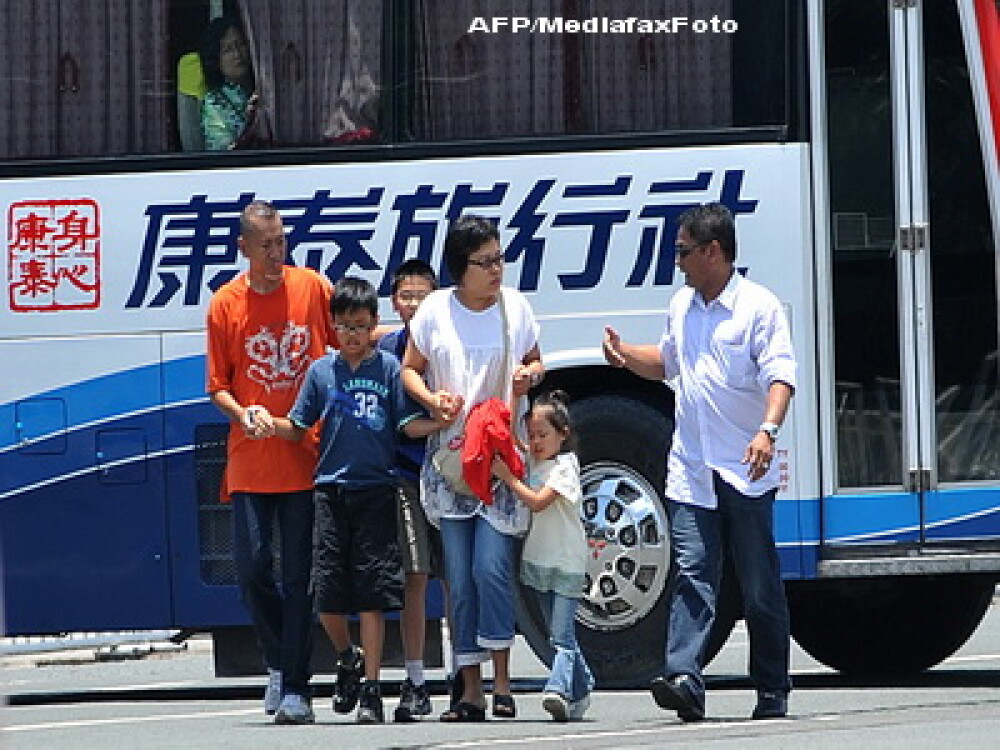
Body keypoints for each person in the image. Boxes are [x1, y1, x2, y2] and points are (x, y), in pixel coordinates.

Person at [603, 202, 796, 722]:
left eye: (684, 251)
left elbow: (781, 377)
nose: (678, 262)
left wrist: (767, 430)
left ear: (714, 251)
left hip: (745, 466)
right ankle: (684, 675)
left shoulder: (759, 307)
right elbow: (668, 360)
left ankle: (772, 687)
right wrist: (626, 357)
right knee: (693, 573)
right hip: (692, 465)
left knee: (758, 583)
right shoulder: (682, 306)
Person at [268, 276, 444, 724]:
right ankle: (346, 656)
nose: (352, 335)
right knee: (326, 597)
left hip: (376, 492)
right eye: (344, 326)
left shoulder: (386, 369)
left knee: (372, 596)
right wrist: (270, 425)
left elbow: (406, 424)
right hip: (330, 491)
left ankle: (371, 690)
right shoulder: (320, 372)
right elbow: (298, 424)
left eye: (361, 326)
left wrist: (442, 421)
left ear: (373, 326)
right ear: (333, 326)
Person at [401, 215, 544, 722]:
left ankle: (504, 681)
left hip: (500, 462)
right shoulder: (436, 311)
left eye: (499, 258)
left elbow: (534, 360)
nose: (496, 269)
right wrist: (431, 400)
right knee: (458, 578)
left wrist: (529, 375)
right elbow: (410, 371)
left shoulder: (515, 307)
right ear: (461, 268)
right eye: (485, 262)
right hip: (451, 462)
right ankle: (470, 688)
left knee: (491, 568)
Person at [206, 200, 335, 725]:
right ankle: (279, 660)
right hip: (251, 460)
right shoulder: (225, 304)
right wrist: (243, 413)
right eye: (266, 243)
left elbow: (340, 351)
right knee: (254, 568)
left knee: (301, 575)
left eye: (281, 240)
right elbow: (218, 386)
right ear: (244, 247)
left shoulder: (312, 288)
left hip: (304, 457)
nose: (276, 251)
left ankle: (296, 684)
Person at [491, 390, 594, 722]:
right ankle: (583, 683)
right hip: (540, 558)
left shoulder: (566, 466)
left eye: (543, 435)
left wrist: (507, 478)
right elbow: (515, 446)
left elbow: (537, 501)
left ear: (563, 434)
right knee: (555, 632)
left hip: (567, 560)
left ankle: (558, 690)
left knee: (561, 635)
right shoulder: (536, 459)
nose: (535, 442)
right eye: (532, 435)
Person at [377, 259, 445, 722]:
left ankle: (469, 678)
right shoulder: (387, 354)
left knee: (459, 578)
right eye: (406, 296)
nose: (415, 304)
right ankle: (416, 679)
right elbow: (401, 426)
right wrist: (439, 420)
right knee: (414, 578)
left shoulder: (450, 344)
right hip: (407, 474)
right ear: (393, 302)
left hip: (454, 472)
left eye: (423, 296)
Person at [199, 16, 259, 151]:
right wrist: (251, 123)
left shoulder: (264, 86)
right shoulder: (214, 103)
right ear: (215, 60)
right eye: (228, 50)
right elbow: (225, 154)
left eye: (241, 44)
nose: (237, 54)